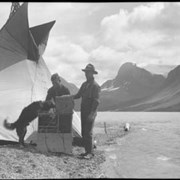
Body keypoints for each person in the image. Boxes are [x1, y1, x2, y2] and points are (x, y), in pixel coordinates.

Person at [73, 63, 101, 159]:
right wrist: (68, 97)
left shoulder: (95, 86)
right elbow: (78, 95)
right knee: (84, 131)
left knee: (88, 132)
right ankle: (86, 151)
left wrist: (92, 114)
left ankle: (90, 153)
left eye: (88, 72)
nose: (86, 74)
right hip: (83, 111)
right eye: (86, 72)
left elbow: (96, 101)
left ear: (92, 73)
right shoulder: (84, 85)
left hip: (90, 112)